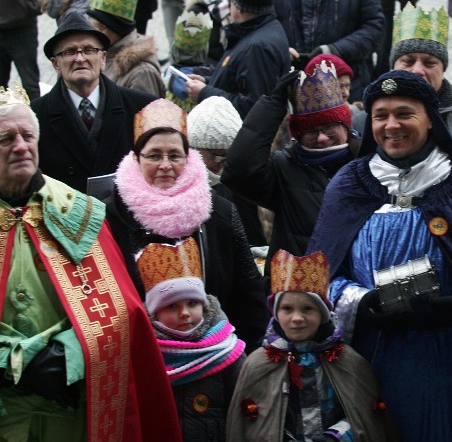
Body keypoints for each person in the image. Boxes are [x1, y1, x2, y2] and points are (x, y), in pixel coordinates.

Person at [308, 70, 452, 441]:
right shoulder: (350, 184)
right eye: (381, 115)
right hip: (373, 355)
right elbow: (318, 277)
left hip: (450, 357)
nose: (391, 125)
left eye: (405, 113)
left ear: (430, 118)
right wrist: (361, 302)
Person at [0, 84, 182, 440]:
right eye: (5, 139)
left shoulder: (79, 213)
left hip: (69, 406)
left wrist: (68, 355)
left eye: (27, 136)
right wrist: (18, 363)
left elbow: (121, 312)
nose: (21, 146)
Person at [103, 98, 268, 349]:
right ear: (137, 159)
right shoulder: (108, 217)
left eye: (175, 155)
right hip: (140, 356)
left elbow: (248, 293)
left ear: (188, 158)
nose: (165, 165)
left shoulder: (220, 213)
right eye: (154, 155)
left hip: (214, 353)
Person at [226, 250, 399, 441]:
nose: (297, 318)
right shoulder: (258, 364)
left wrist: (337, 436)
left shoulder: (348, 361)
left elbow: (366, 417)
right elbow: (249, 426)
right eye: (287, 309)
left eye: (308, 309)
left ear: (323, 313)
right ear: (276, 313)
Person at [222, 61, 359, 262]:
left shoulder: (366, 163)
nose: (321, 138)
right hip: (297, 288)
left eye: (329, 127)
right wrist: (272, 105)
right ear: (298, 136)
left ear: (346, 127)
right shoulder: (284, 168)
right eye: (311, 131)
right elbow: (239, 170)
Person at [33, 12, 156, 192]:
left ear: (103, 58)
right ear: (56, 64)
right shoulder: (35, 117)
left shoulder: (142, 108)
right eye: (69, 52)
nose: (80, 58)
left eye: (89, 50)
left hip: (123, 216)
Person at [142, 238, 245, 442]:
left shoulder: (226, 351)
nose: (185, 313)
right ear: (155, 314)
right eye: (172, 306)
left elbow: (245, 410)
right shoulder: (144, 354)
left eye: (192, 303)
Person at [186, 0, 290, 118]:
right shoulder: (261, 30)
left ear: (239, 7)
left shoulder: (257, 47)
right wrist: (209, 82)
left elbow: (254, 107)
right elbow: (241, 82)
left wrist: (205, 93)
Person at [187, 95, 266, 248]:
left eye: (227, 158)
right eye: (216, 157)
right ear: (194, 147)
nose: (220, 166)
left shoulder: (241, 185)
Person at [389, 4, 452, 149]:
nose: (417, 70)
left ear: (443, 70)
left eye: (429, 63)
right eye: (408, 62)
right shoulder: (365, 120)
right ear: (393, 67)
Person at [87, 0, 165, 97]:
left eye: (93, 28)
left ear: (105, 28)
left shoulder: (142, 73)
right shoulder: (106, 53)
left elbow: (147, 113)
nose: (90, 34)